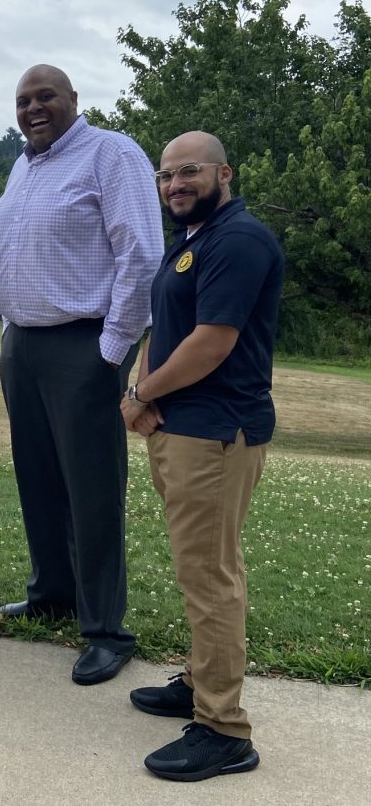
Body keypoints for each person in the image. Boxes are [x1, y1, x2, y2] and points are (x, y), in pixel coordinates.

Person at [0, 65, 163, 684]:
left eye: (46, 97)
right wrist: (11, 333)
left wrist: (110, 350)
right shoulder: (22, 167)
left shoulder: (110, 154)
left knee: (91, 491)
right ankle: (52, 595)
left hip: (83, 346)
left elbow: (140, 255)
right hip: (24, 345)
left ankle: (105, 628)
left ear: (73, 100)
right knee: (38, 479)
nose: (34, 109)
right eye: (23, 101)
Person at [121, 131, 283, 781]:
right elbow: (167, 327)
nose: (174, 184)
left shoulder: (239, 241)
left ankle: (223, 729)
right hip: (182, 427)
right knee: (200, 568)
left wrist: (139, 393)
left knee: (210, 576)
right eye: (166, 176)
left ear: (224, 173)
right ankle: (198, 681)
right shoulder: (193, 242)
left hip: (216, 433)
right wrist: (142, 391)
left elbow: (211, 343)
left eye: (188, 172)